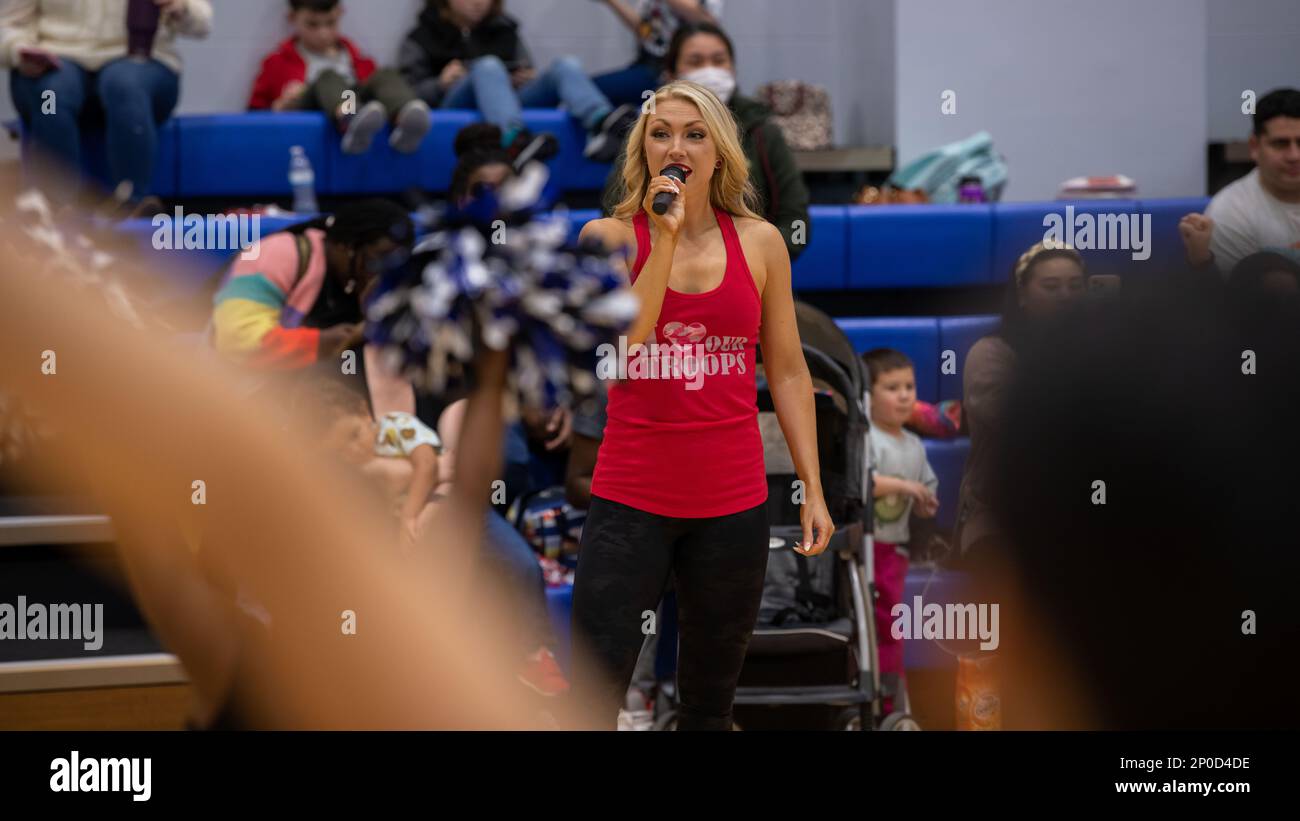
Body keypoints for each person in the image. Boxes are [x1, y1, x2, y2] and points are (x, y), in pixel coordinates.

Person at [571, 79, 833, 730]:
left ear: (719, 152)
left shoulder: (762, 241)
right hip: (630, 498)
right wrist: (661, 238)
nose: (677, 145)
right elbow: (626, 351)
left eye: (695, 133)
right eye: (661, 132)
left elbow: (791, 373)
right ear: (643, 149)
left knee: (710, 707)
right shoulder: (606, 237)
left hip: (733, 504)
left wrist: (813, 486)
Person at [602, 22, 811, 262]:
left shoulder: (763, 130)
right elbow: (614, 205)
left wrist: (753, 257)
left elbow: (797, 223)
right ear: (671, 73)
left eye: (719, 60)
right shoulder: (647, 124)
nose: (709, 70)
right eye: (695, 61)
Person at [2, 0, 213, 208]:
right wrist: (18, 51)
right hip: (55, 61)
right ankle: (56, 207)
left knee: (125, 86)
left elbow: (203, 22)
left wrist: (182, 8)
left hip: (140, 60)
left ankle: (131, 202)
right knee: (50, 97)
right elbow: (8, 26)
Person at [953, 242, 1087, 564]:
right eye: (1051, 287)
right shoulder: (990, 354)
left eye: (1075, 286)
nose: (1066, 296)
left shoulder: (1105, 352)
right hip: (998, 517)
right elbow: (1026, 428)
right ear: (1022, 295)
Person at [397, 0, 639, 164]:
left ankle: (602, 121)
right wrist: (440, 84)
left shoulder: (505, 30)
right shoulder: (421, 36)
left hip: (507, 100)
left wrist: (525, 78)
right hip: (455, 103)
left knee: (564, 65)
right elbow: (407, 97)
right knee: (488, 66)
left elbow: (526, 68)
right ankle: (513, 141)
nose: (478, 2)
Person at [249, 0, 432, 155]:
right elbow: (253, 115)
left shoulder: (359, 60)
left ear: (340, 14)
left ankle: (406, 117)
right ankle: (350, 119)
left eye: (330, 23)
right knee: (329, 76)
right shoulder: (277, 63)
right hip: (313, 103)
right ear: (292, 18)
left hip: (355, 101)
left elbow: (372, 95)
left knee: (385, 75)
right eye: (312, 24)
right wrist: (278, 106)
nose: (323, 34)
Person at [861, 347, 938, 713]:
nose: (905, 395)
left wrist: (926, 501)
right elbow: (865, 484)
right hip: (867, 548)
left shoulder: (915, 445)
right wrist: (907, 488)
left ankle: (892, 703)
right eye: (892, 387)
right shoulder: (866, 439)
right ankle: (879, 701)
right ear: (868, 396)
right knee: (876, 625)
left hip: (898, 549)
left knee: (892, 626)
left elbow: (928, 486)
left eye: (909, 386)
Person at [1180, 87, 1300, 274]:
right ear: (1254, 146)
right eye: (1280, 143)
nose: (1294, 156)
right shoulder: (1229, 212)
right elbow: (1240, 301)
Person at [590, 0, 722, 108]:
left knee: (592, 90)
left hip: (674, 71)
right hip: (646, 65)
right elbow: (645, 31)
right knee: (588, 91)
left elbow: (706, 22)